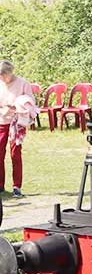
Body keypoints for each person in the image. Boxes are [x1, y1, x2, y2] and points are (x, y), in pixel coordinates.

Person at [0, 60, 34, 197]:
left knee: (15, 153)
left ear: (9, 73)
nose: (2, 79)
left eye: (3, 76)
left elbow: (31, 102)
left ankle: (17, 186)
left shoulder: (22, 83)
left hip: (17, 121)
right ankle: (0, 185)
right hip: (2, 121)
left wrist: (17, 106)